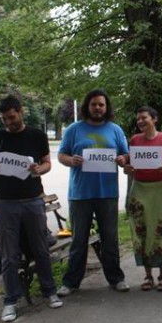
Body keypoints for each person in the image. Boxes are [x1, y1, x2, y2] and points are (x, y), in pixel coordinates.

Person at [0, 95, 63, 322]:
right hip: (4, 202)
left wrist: (39, 169)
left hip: (32, 199)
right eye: (4, 119)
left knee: (40, 249)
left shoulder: (36, 135)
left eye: (12, 117)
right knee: (8, 254)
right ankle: (10, 300)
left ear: (20, 112)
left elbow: (48, 162)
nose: (8, 122)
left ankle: (50, 291)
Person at [57, 89, 130, 296]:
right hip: (80, 193)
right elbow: (62, 154)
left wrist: (123, 159)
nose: (98, 108)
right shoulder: (74, 129)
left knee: (110, 238)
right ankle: (71, 282)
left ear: (106, 108)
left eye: (101, 105)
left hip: (107, 192)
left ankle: (116, 278)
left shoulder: (115, 130)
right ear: (87, 106)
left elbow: (125, 154)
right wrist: (71, 161)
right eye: (94, 104)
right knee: (78, 240)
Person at [123, 106, 162, 292]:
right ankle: (147, 276)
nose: (140, 121)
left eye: (144, 118)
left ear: (154, 119)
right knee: (142, 230)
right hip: (139, 189)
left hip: (161, 190)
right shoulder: (134, 140)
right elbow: (130, 165)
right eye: (138, 119)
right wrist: (127, 168)